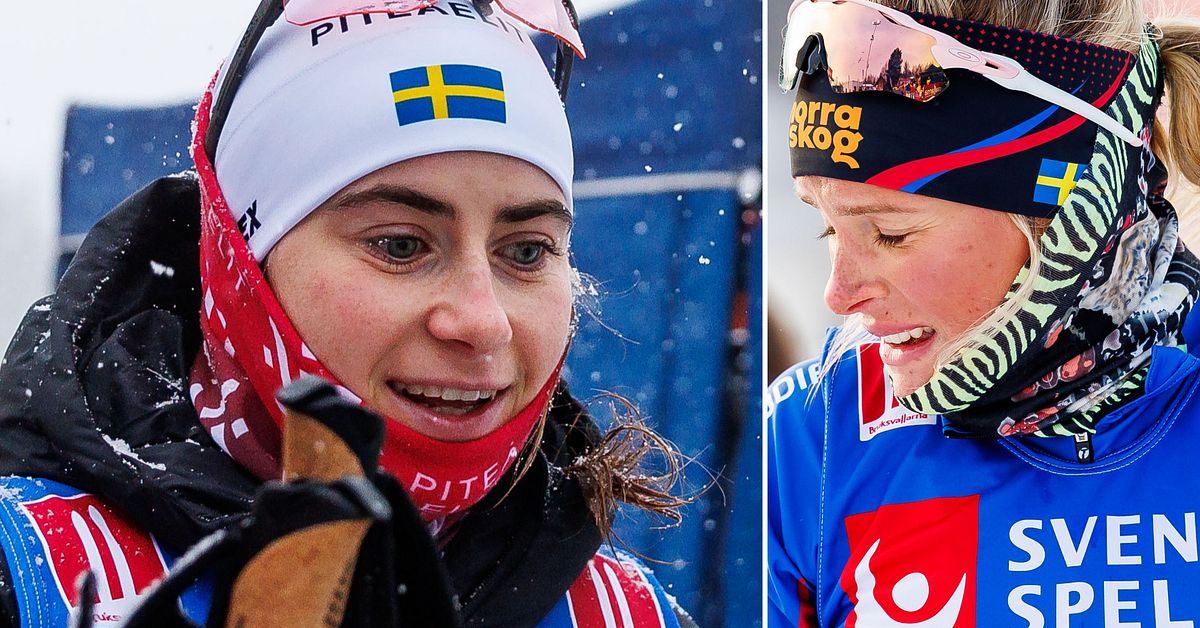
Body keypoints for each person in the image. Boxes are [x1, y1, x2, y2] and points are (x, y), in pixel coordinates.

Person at [0, 1, 695, 626]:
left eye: (525, 251)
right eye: (400, 245)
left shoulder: (627, 613)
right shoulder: (35, 575)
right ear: (244, 271)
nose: (482, 322)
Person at [769, 0, 1200, 624]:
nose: (838, 295)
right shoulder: (810, 437)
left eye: (891, 234)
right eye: (829, 229)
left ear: (1069, 220)